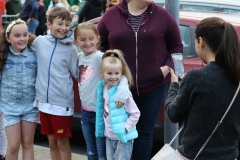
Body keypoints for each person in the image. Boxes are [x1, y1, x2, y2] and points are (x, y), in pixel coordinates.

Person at [97, 0, 183, 159]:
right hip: (118, 86)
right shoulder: (112, 15)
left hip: (153, 87)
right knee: (119, 132)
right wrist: (109, 68)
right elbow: (99, 46)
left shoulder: (162, 15)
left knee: (144, 133)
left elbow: (176, 47)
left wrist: (164, 70)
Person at [166, 17, 240, 160]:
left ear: (201, 41)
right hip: (229, 155)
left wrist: (174, 86)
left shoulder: (196, 77)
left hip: (194, 155)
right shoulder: (236, 78)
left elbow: (173, 114)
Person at [74, 22, 129, 160]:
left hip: (101, 114)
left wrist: (122, 95)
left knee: (101, 153)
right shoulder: (79, 58)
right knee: (91, 151)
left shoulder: (101, 57)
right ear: (76, 41)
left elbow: (121, 76)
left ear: (98, 39)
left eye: (91, 38)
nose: (87, 43)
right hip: (86, 112)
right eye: (82, 39)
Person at [31, 7, 78, 160]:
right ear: (49, 24)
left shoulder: (71, 49)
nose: (64, 28)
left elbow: (78, 74)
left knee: (62, 143)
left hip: (61, 105)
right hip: (43, 103)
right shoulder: (39, 42)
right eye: (60, 24)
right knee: (51, 143)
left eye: (67, 24)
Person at [0, 19, 39, 160]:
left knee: (28, 144)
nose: (22, 39)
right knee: (13, 145)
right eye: (17, 36)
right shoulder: (2, 56)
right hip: (9, 107)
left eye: (25, 35)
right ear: (8, 38)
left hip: (30, 106)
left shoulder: (34, 54)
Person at [95, 49, 140, 160]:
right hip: (109, 137)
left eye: (117, 73)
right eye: (109, 73)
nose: (113, 77)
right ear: (102, 73)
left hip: (122, 138)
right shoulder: (104, 88)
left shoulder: (123, 94)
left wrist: (125, 128)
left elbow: (135, 113)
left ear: (121, 73)